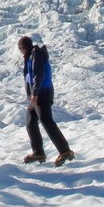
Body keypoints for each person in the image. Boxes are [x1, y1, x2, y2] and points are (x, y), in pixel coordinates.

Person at [18, 35, 73, 165]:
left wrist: (35, 94)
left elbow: (39, 75)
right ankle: (38, 152)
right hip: (36, 94)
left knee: (46, 120)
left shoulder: (36, 55)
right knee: (30, 121)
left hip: (41, 93)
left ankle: (65, 151)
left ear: (23, 48)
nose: (20, 52)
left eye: (20, 49)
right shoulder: (31, 56)